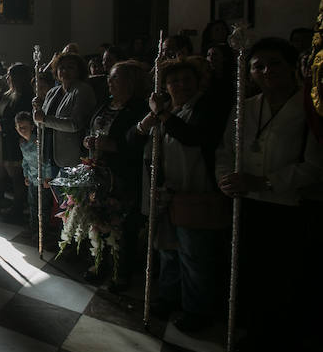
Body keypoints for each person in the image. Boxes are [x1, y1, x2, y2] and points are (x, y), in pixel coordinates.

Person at [216, 37, 323, 352]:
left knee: (286, 279)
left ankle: (285, 346)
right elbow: (225, 151)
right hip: (247, 202)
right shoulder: (246, 107)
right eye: (258, 65)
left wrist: (265, 182)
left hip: (289, 206)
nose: (266, 71)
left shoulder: (309, 108)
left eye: (274, 63)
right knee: (251, 274)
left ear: (292, 67)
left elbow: (315, 166)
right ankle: (255, 333)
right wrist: (226, 180)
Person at [137, 57, 230, 333]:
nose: (181, 86)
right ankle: (169, 297)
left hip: (196, 192)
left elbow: (194, 137)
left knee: (194, 256)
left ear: (198, 81)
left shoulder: (205, 107)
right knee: (168, 250)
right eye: (174, 81)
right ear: (165, 86)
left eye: (186, 80)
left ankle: (197, 310)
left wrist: (163, 116)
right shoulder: (169, 110)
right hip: (169, 192)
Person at [82, 60, 150, 288]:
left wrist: (115, 146)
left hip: (124, 175)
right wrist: (88, 140)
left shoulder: (139, 108)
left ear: (131, 82)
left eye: (115, 78)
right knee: (98, 219)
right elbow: (92, 127)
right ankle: (99, 262)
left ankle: (121, 271)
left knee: (122, 225)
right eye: (109, 78)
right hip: (99, 173)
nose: (109, 82)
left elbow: (140, 141)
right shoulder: (105, 104)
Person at [0, 63, 34, 222]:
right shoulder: (8, 93)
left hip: (13, 138)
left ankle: (17, 208)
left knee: (15, 175)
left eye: (11, 75)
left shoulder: (26, 96)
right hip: (0, 138)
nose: (8, 77)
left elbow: (21, 118)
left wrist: (2, 124)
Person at [34, 52, 96, 169]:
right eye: (61, 67)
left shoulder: (82, 90)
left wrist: (45, 119)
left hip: (72, 157)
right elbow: (40, 123)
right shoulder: (53, 92)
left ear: (79, 70)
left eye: (70, 67)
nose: (65, 71)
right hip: (49, 156)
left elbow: (75, 124)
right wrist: (37, 110)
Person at [15, 111, 53, 239]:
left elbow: (46, 160)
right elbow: (24, 161)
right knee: (32, 204)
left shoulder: (39, 142)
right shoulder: (22, 143)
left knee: (44, 207)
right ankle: (33, 227)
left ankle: (43, 232)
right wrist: (26, 175)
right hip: (32, 178)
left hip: (42, 179)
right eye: (19, 127)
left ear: (32, 126)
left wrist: (47, 177)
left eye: (24, 127)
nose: (22, 130)